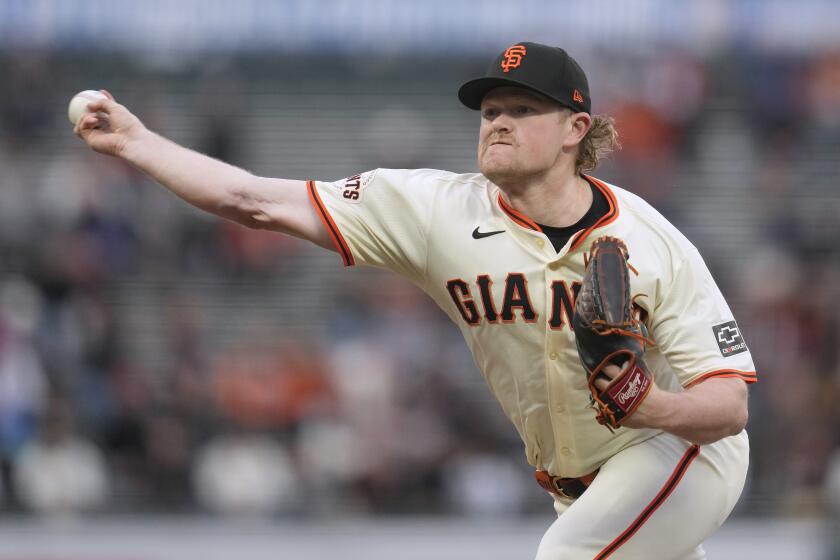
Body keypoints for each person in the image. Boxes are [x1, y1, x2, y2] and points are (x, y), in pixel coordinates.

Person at [74, 42, 756, 560]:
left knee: (567, 557)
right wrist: (137, 142)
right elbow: (252, 201)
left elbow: (729, 408)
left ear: (577, 129)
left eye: (522, 109)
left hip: (680, 449)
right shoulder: (435, 210)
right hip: (576, 483)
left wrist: (650, 404)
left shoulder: (650, 240)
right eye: (490, 110)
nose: (497, 122)